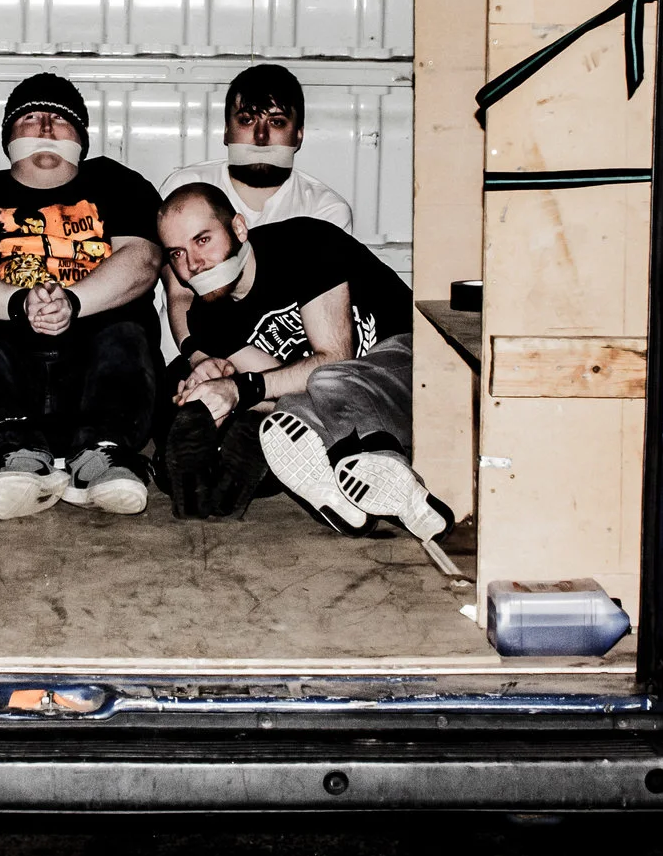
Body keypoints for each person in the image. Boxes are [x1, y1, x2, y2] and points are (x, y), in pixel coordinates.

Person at [154, 182, 455, 573]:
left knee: (328, 382)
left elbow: (333, 359)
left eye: (203, 240)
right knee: (286, 416)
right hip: (336, 408)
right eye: (177, 253)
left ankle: (372, 458)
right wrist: (217, 394)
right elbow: (278, 384)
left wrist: (240, 389)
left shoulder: (307, 244)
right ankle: (360, 490)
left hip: (417, 373)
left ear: (239, 229)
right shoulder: (208, 317)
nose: (193, 263)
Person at [0, 73, 162, 520]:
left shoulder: (118, 183)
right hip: (7, 375)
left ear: (81, 136)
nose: (44, 127)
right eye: (30, 118)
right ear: (8, 136)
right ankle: (14, 454)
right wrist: (18, 305)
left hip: (94, 372)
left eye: (59, 119)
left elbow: (143, 261)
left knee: (127, 332)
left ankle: (103, 455)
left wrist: (73, 302)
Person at [156, 63, 351, 350]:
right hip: (188, 355)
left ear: (298, 135)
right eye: (247, 120)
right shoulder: (186, 188)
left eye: (277, 122)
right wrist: (196, 356)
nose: (260, 137)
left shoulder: (324, 210)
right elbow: (179, 291)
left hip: (279, 365)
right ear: (226, 131)